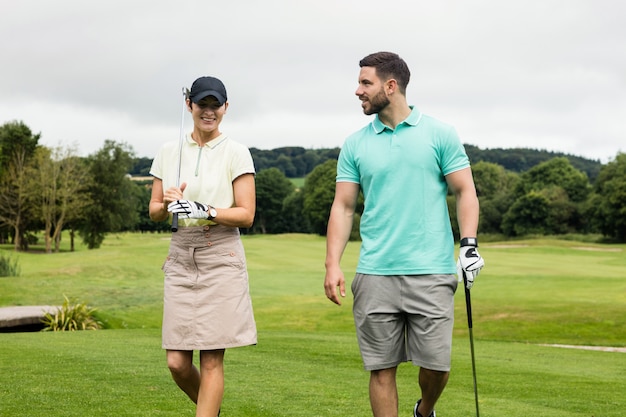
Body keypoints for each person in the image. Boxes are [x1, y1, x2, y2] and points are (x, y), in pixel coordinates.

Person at [324, 52, 484, 417]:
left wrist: (469, 244)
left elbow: (465, 192)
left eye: (366, 83)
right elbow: (343, 207)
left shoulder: (440, 134)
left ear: (390, 86)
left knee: (437, 366)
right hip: (375, 271)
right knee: (381, 368)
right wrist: (332, 263)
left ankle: (424, 410)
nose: (358, 91)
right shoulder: (355, 144)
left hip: (431, 270)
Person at [149, 76, 257, 417]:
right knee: (177, 362)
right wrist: (168, 203)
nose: (208, 112)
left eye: (215, 105)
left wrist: (204, 210)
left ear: (226, 108)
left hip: (220, 253)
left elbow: (246, 213)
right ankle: (211, 410)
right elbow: (153, 211)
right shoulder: (169, 152)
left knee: (211, 360)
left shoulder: (236, 152)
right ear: (189, 105)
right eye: (202, 105)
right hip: (181, 255)